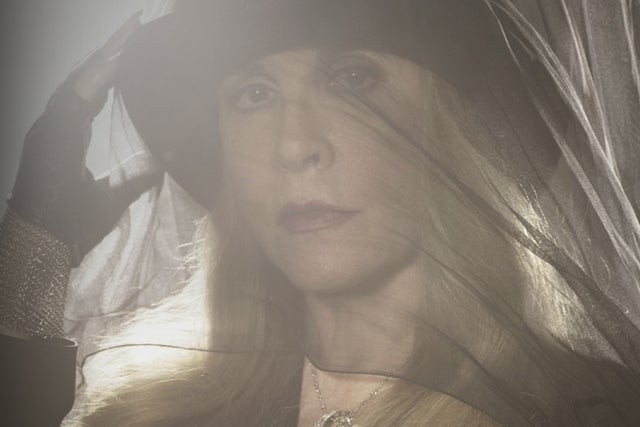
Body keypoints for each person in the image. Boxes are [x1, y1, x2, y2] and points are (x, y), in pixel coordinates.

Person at [2, 0, 640, 425]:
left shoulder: (586, 412)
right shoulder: (148, 412)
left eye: (352, 79)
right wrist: (34, 249)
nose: (293, 146)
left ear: (450, 126)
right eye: (254, 94)